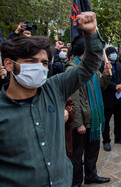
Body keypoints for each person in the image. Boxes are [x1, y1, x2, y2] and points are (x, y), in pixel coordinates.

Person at [0, 12, 103, 186]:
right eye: (31, 61)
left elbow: (90, 64)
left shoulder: (55, 88)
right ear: (9, 64)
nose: (39, 68)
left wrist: (91, 32)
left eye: (44, 63)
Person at [66, 37, 111, 186]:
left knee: (92, 152)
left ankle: (91, 175)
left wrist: (106, 74)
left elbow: (101, 87)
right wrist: (78, 124)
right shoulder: (73, 69)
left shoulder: (91, 68)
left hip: (94, 118)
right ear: (85, 52)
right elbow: (74, 100)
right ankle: (76, 182)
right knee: (77, 156)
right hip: (82, 121)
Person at [101, 46, 121, 152]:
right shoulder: (102, 66)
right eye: (112, 53)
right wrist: (114, 86)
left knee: (119, 118)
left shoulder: (118, 65)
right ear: (107, 55)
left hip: (119, 97)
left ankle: (118, 137)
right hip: (108, 98)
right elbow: (104, 81)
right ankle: (106, 141)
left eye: (115, 53)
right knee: (106, 121)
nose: (114, 54)